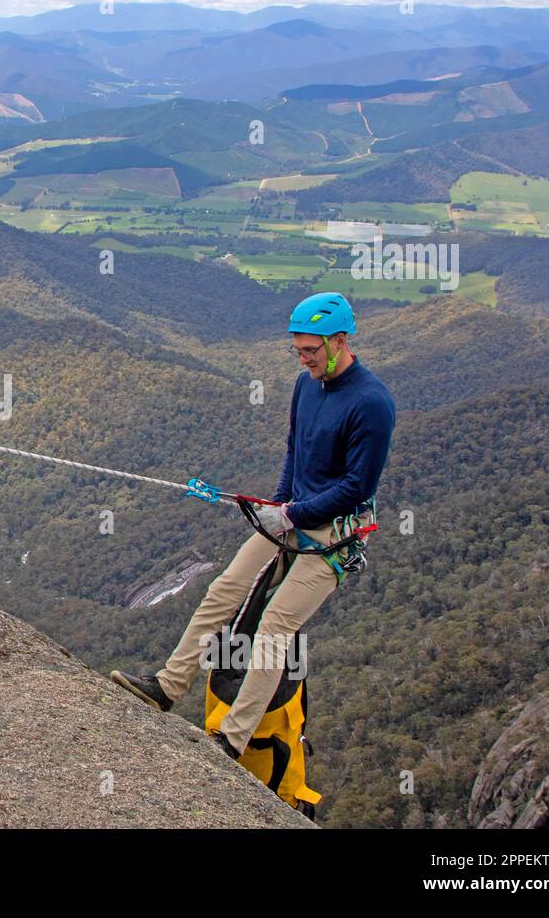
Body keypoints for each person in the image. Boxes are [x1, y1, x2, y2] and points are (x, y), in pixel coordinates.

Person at [111, 292, 395, 760]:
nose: (303, 360)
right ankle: (167, 685)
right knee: (224, 589)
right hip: (292, 514)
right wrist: (280, 502)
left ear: (340, 341)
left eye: (310, 350)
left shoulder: (372, 404)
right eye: (297, 350)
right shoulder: (307, 386)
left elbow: (356, 489)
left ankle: (232, 739)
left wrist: (288, 515)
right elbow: (294, 451)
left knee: (274, 627)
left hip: (332, 537)